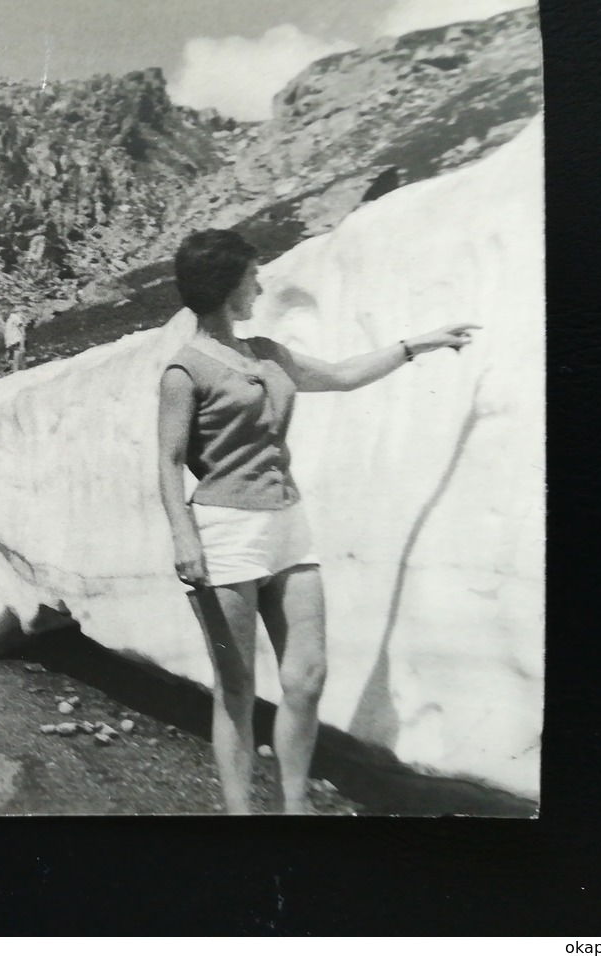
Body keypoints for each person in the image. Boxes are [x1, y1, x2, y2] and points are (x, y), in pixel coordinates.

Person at [156, 229, 477, 813]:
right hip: (225, 533)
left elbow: (341, 374)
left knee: (306, 677)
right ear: (228, 284)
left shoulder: (268, 353)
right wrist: (184, 536)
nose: (261, 284)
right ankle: (240, 817)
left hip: (287, 524)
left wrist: (418, 344)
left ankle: (294, 804)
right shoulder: (185, 371)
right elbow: (169, 461)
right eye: (253, 275)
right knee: (236, 689)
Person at [3, 307, 28, 372]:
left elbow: (21, 327)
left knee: (16, 361)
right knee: (15, 361)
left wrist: (22, 342)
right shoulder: (11, 318)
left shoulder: (12, 318)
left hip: (14, 342)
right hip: (12, 343)